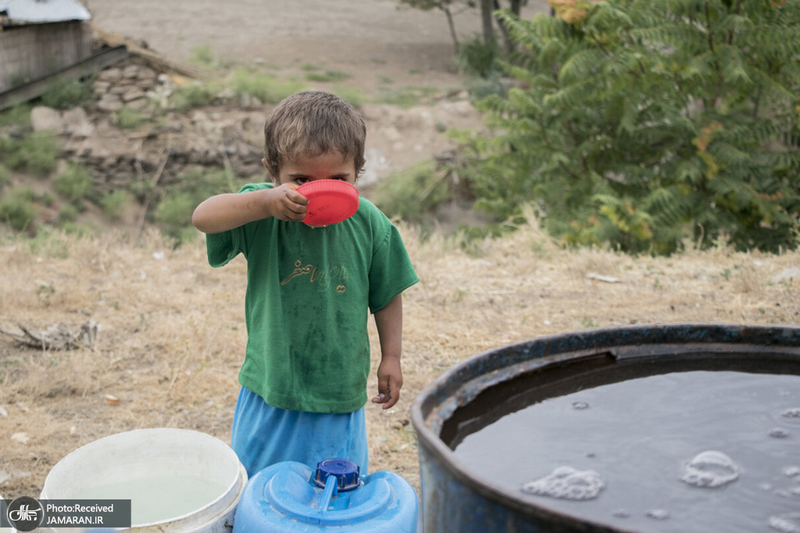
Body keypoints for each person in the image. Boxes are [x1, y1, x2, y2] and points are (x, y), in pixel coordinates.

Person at [192, 91, 419, 478]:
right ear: (272, 172)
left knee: (333, 488)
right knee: (258, 488)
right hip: (271, 385)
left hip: (338, 390)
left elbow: (387, 295)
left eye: (338, 179)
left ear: (358, 170)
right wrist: (264, 202)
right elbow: (202, 217)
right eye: (301, 180)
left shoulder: (369, 223)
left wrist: (392, 356)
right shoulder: (262, 212)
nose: (319, 191)